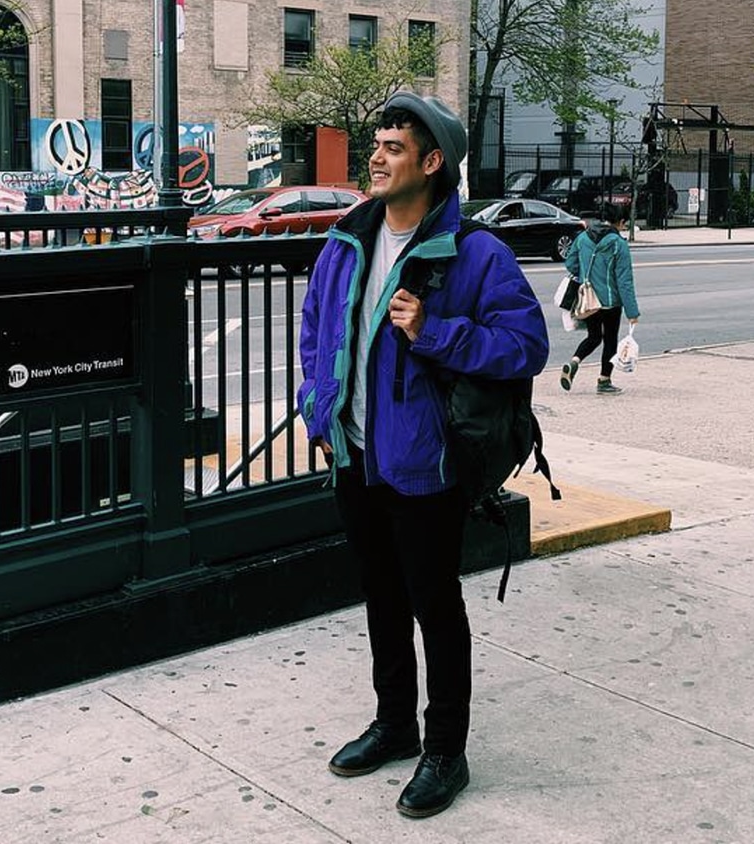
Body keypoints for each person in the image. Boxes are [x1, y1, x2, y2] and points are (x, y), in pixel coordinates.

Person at [296, 92, 548, 819]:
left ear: (433, 163)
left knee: (436, 608)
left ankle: (446, 750)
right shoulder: (347, 240)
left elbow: (526, 347)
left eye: (394, 147)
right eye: (376, 145)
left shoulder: (476, 254)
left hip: (425, 466)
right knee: (380, 599)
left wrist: (435, 331)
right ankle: (395, 724)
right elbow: (316, 330)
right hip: (356, 457)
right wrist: (320, 406)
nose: (375, 157)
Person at [560, 204, 640, 394]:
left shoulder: (583, 238)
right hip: (611, 302)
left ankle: (574, 361)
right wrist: (632, 312)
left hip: (588, 299)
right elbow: (624, 281)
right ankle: (604, 381)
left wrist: (587, 277)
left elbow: (570, 264)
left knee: (594, 336)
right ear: (620, 222)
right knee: (610, 340)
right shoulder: (618, 244)